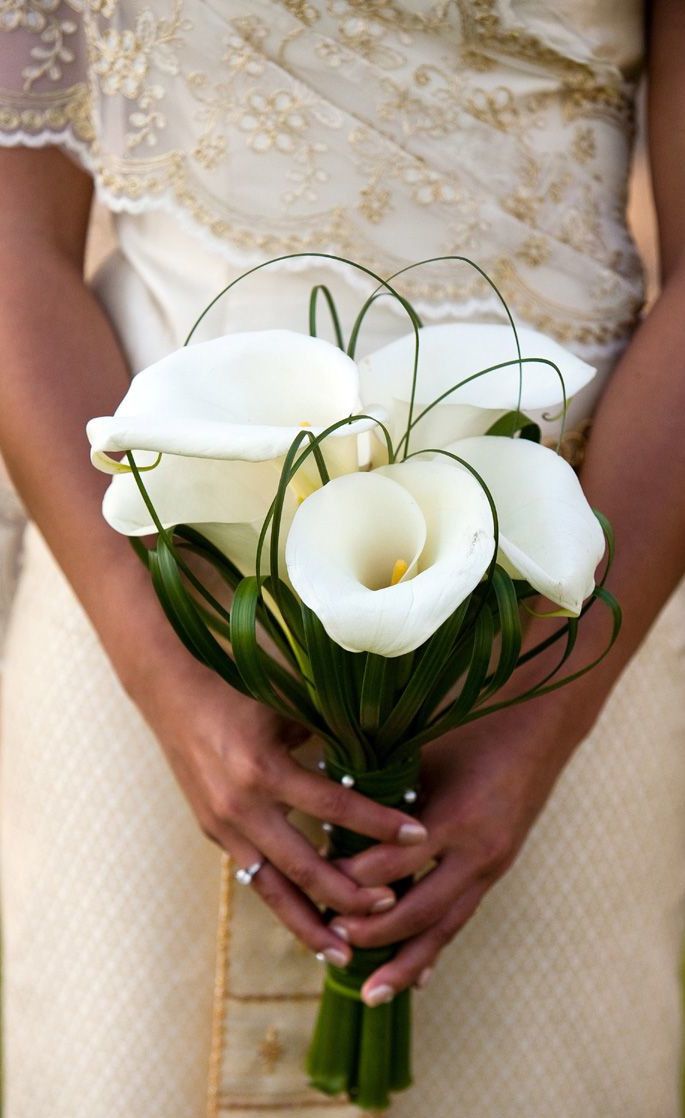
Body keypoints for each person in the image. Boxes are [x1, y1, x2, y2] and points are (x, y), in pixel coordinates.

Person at [0, 2, 684, 1116]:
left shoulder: (552, 673)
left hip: (566, 594)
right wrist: (165, 672)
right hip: (143, 588)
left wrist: (533, 720)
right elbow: (10, 237)